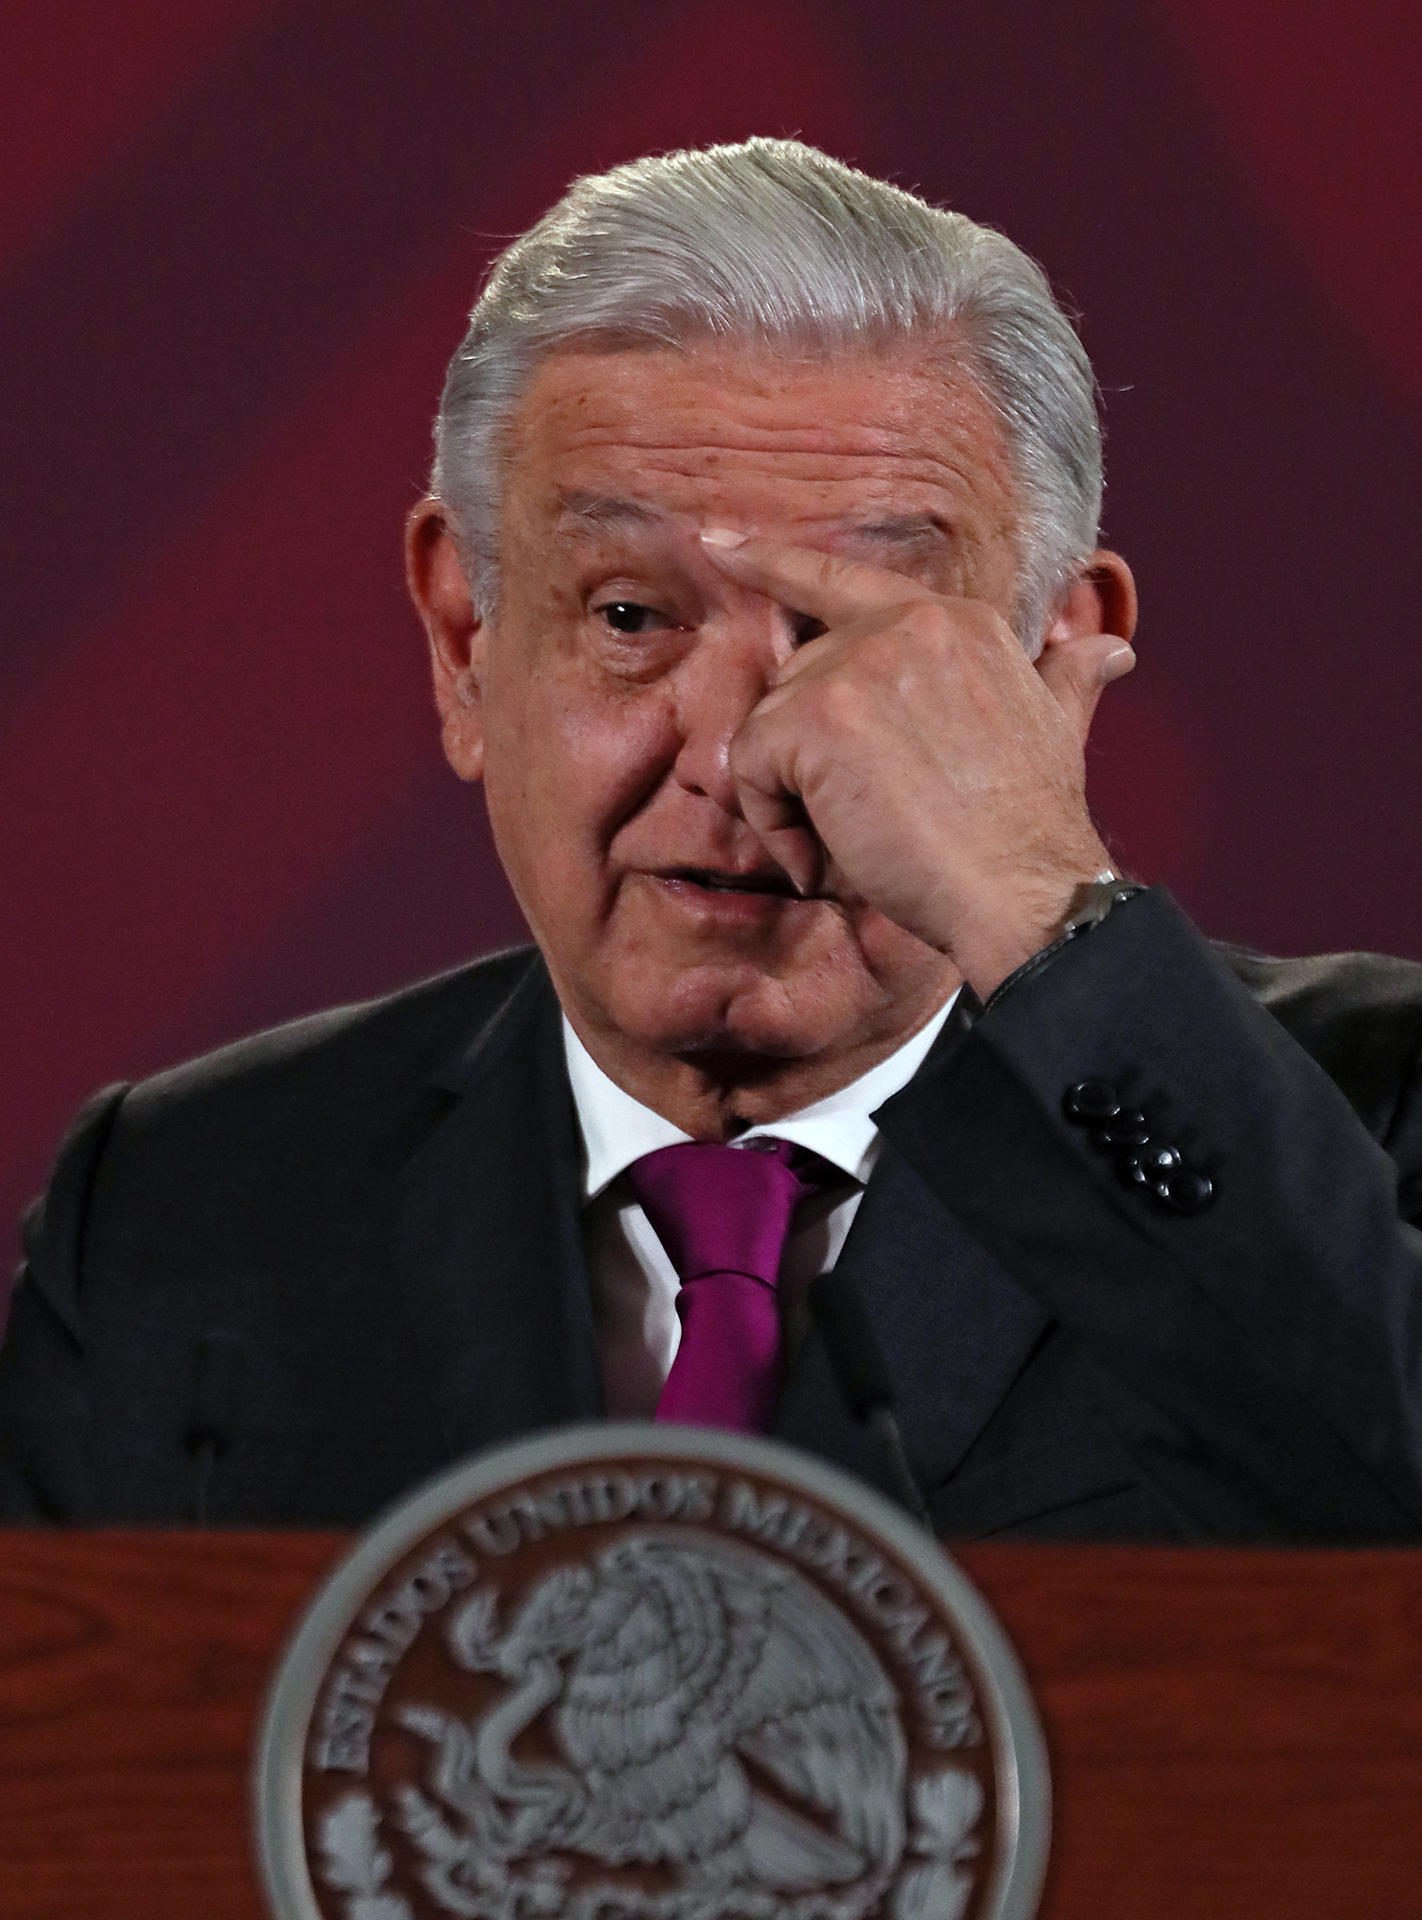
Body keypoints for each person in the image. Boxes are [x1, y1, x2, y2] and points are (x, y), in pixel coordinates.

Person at [3, 138, 1421, 1539]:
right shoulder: (182, 1209)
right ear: (462, 640)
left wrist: (1044, 906)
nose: (743, 757)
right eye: (629, 617)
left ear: (1055, 664)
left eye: (855, 634)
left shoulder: (1365, 1124)